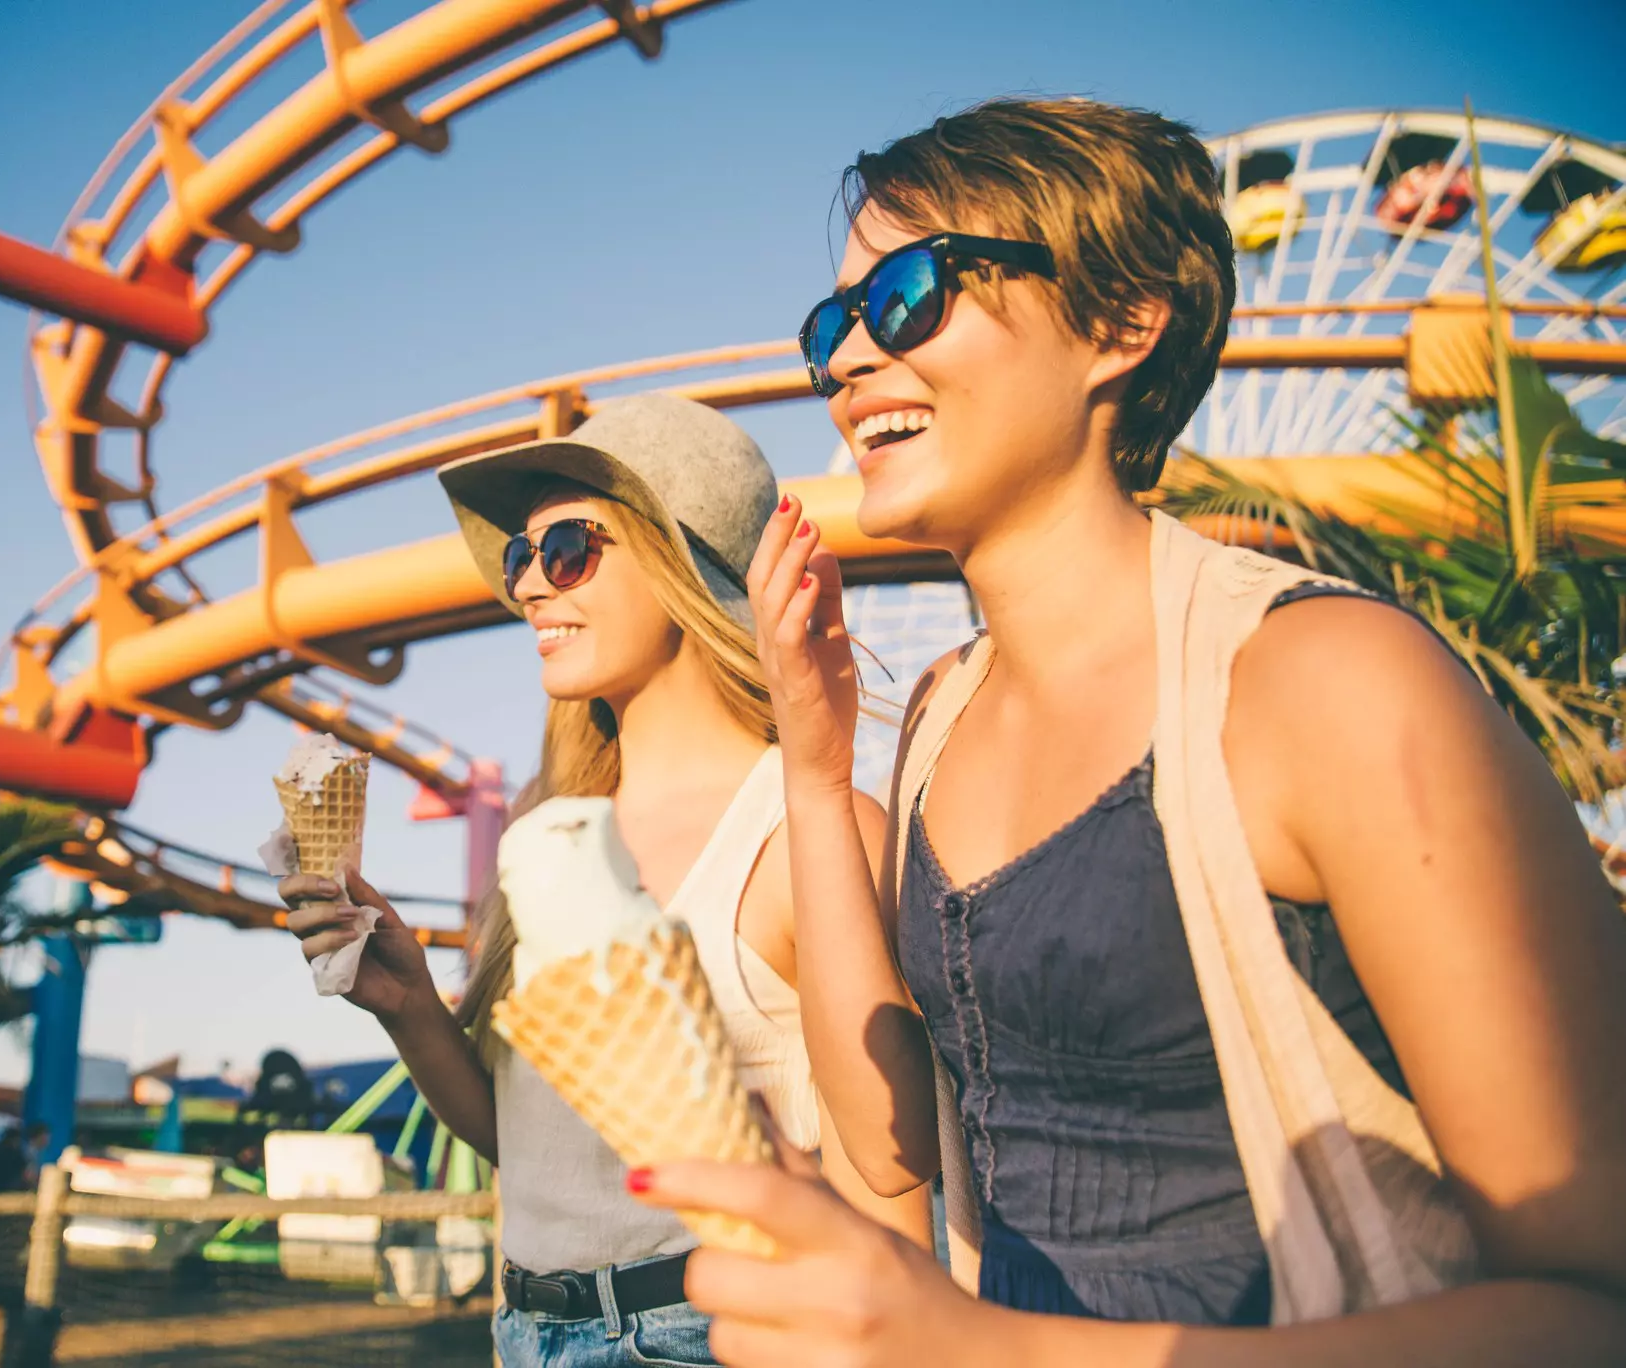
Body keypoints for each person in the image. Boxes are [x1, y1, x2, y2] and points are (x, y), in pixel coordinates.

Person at [630, 98, 1626, 1363]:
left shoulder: (1323, 680)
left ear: (1119, 323)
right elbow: (886, 1151)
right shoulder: (938, 714)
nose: (846, 361)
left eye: (907, 296)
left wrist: (989, 1353)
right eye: (834, 325)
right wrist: (816, 773)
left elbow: (1592, 1305)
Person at [281, 393, 931, 1368]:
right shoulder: (549, 832)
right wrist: (409, 1007)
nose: (527, 586)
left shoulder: (804, 824)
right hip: (524, 1330)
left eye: (567, 550)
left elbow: (892, 1177)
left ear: (682, 568)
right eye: (520, 558)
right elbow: (543, 1154)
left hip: (716, 1333)